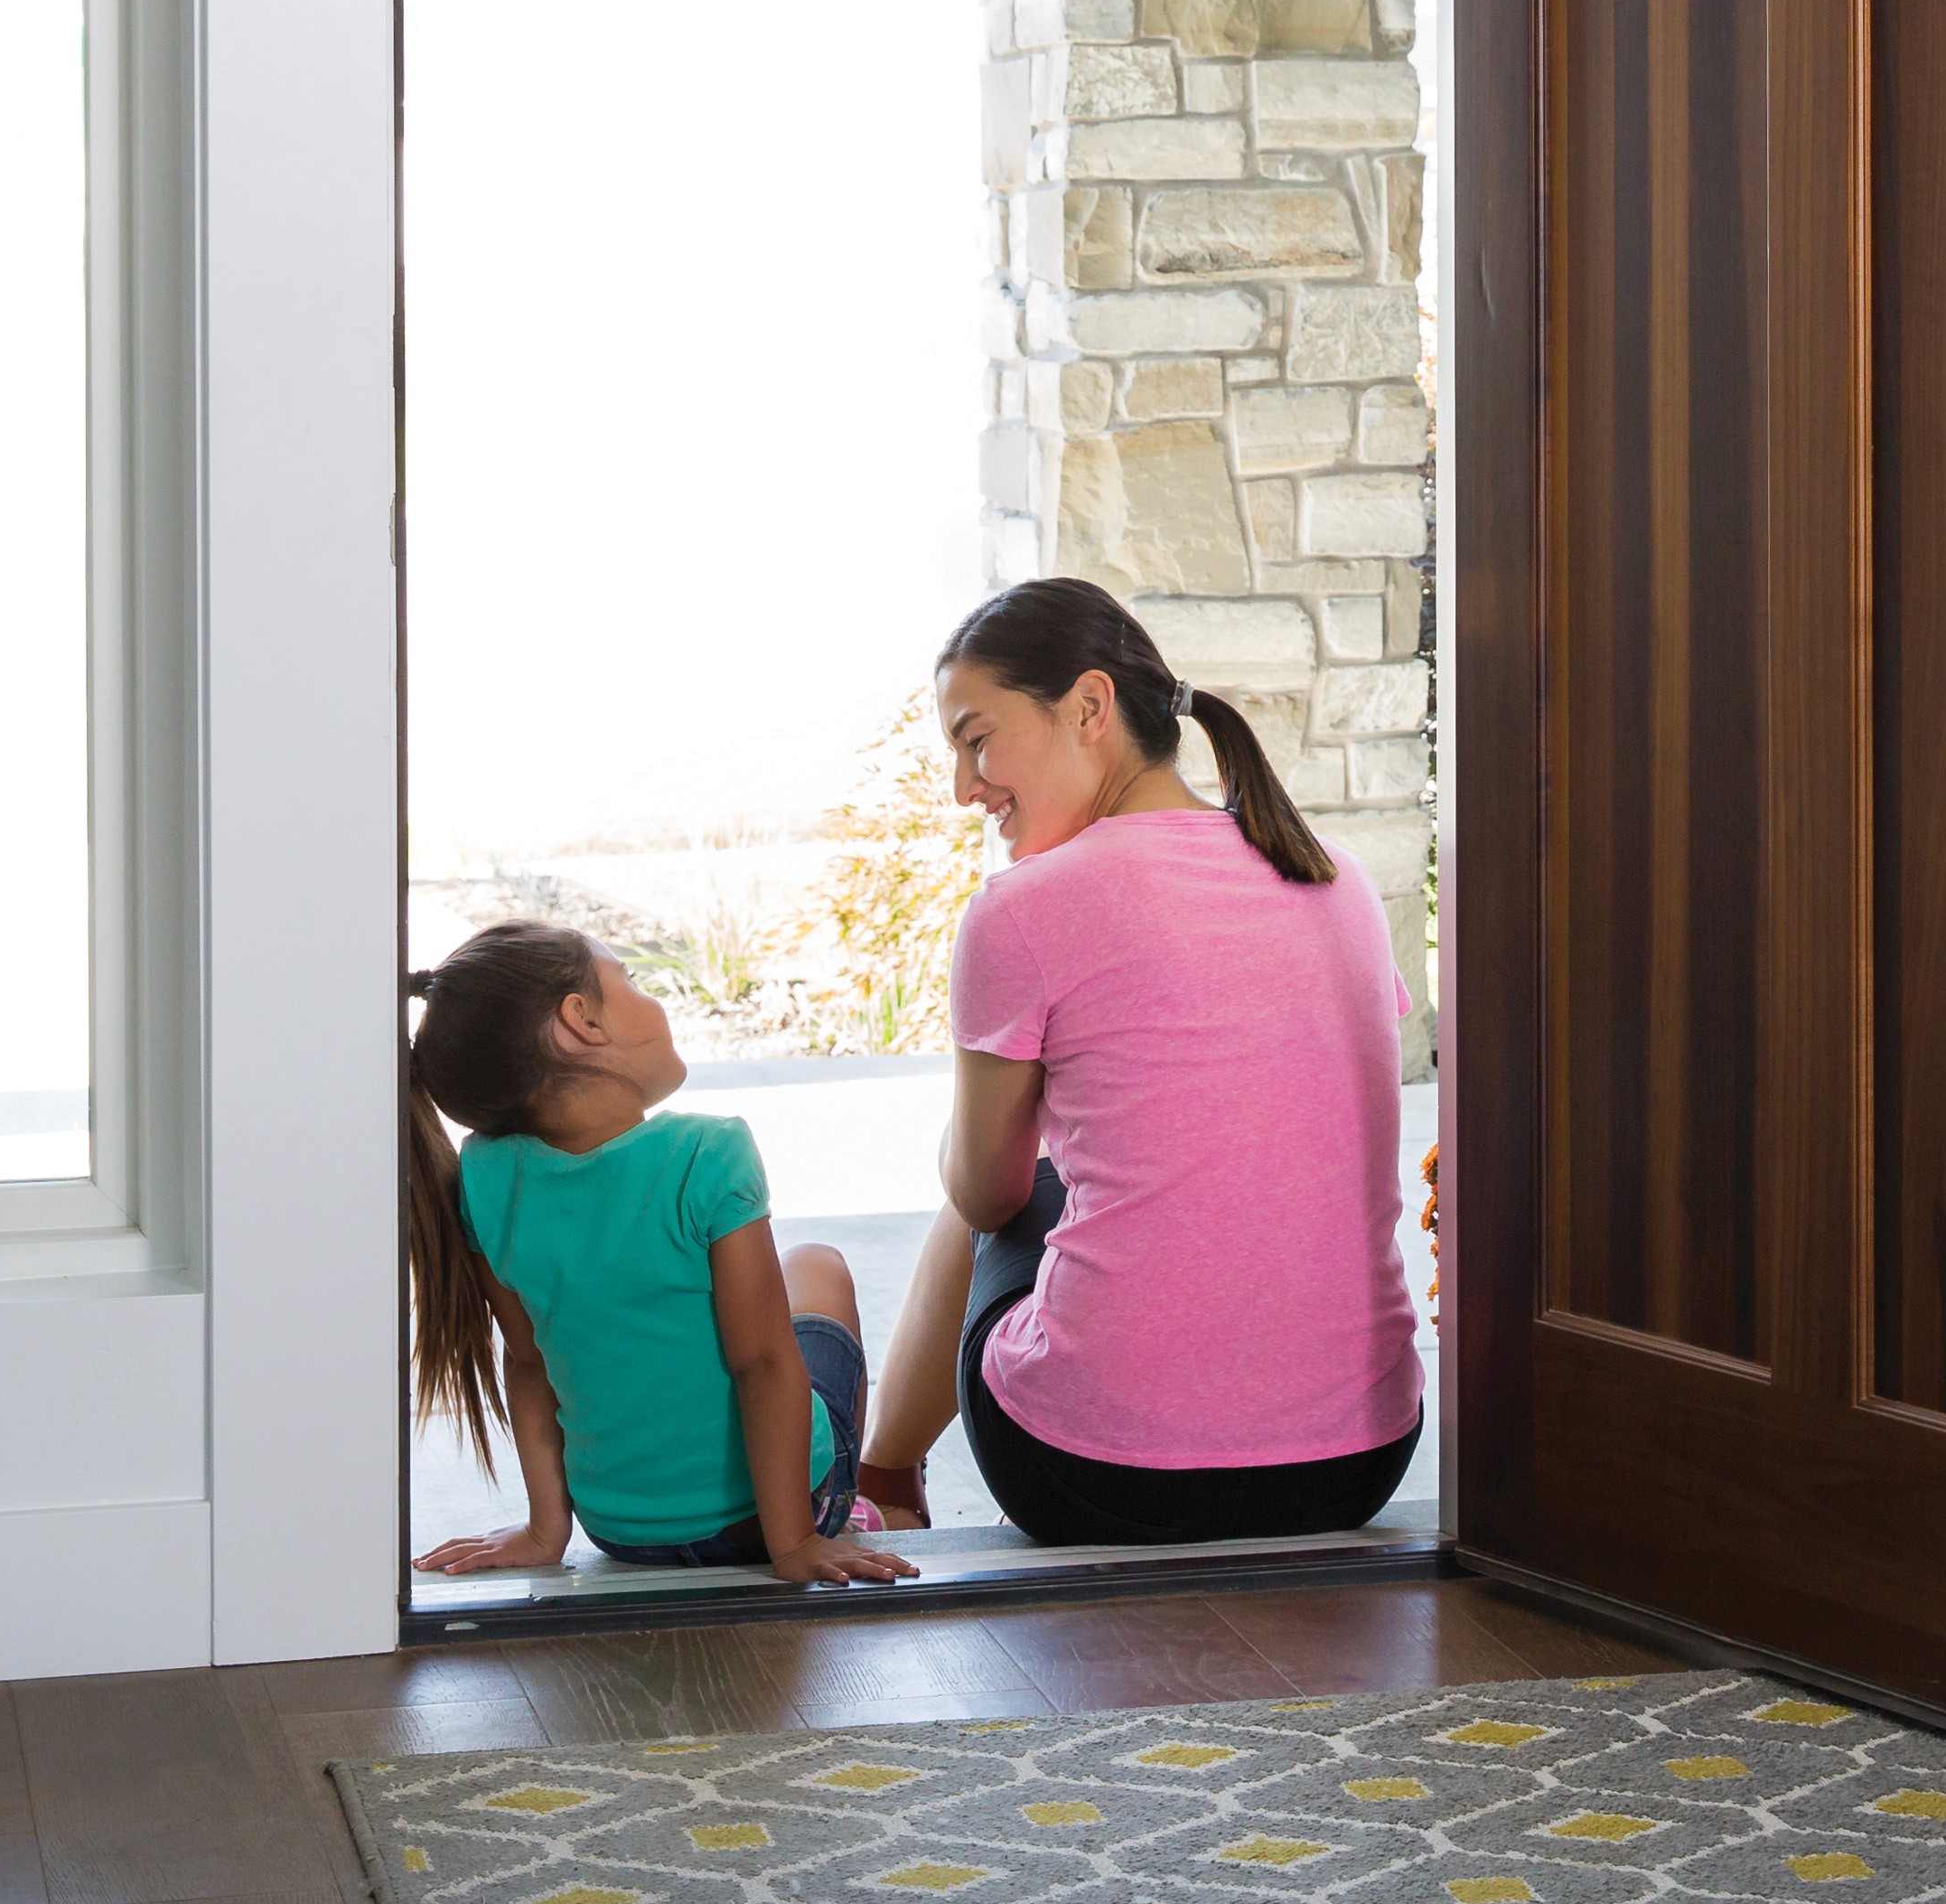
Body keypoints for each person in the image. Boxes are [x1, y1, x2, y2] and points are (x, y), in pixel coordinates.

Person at [851, 578, 1424, 1545]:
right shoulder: (1338, 875)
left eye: (976, 738)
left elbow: (986, 1195)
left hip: (1095, 1473)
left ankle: (885, 1480)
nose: (963, 787)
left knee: (996, 1169)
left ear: (1088, 705)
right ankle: (889, 1475)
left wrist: (992, 1118)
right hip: (1356, 1460)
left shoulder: (1020, 907)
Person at [401, 920, 918, 1587]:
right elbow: (762, 1363)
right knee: (818, 1264)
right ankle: (838, 1512)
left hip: (623, 1532)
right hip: (758, 1525)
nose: (650, 997)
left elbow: (529, 1363)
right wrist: (792, 1544)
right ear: (582, 1019)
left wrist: (544, 1531)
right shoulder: (707, 1153)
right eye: (631, 980)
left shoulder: (485, 1176)